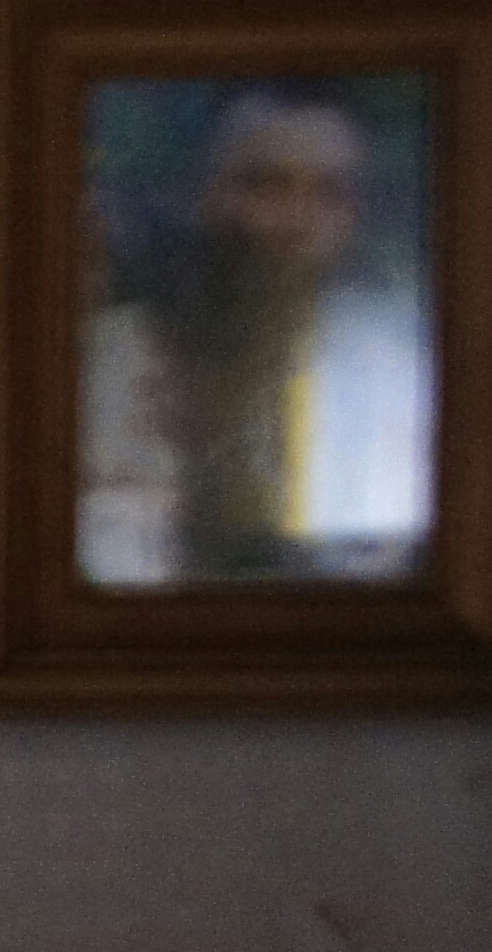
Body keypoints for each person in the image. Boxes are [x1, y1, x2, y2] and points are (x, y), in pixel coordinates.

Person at [78, 87, 434, 586]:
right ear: (206, 193)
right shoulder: (108, 363)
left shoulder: (392, 372)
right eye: (266, 186)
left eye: (329, 192)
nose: (297, 220)